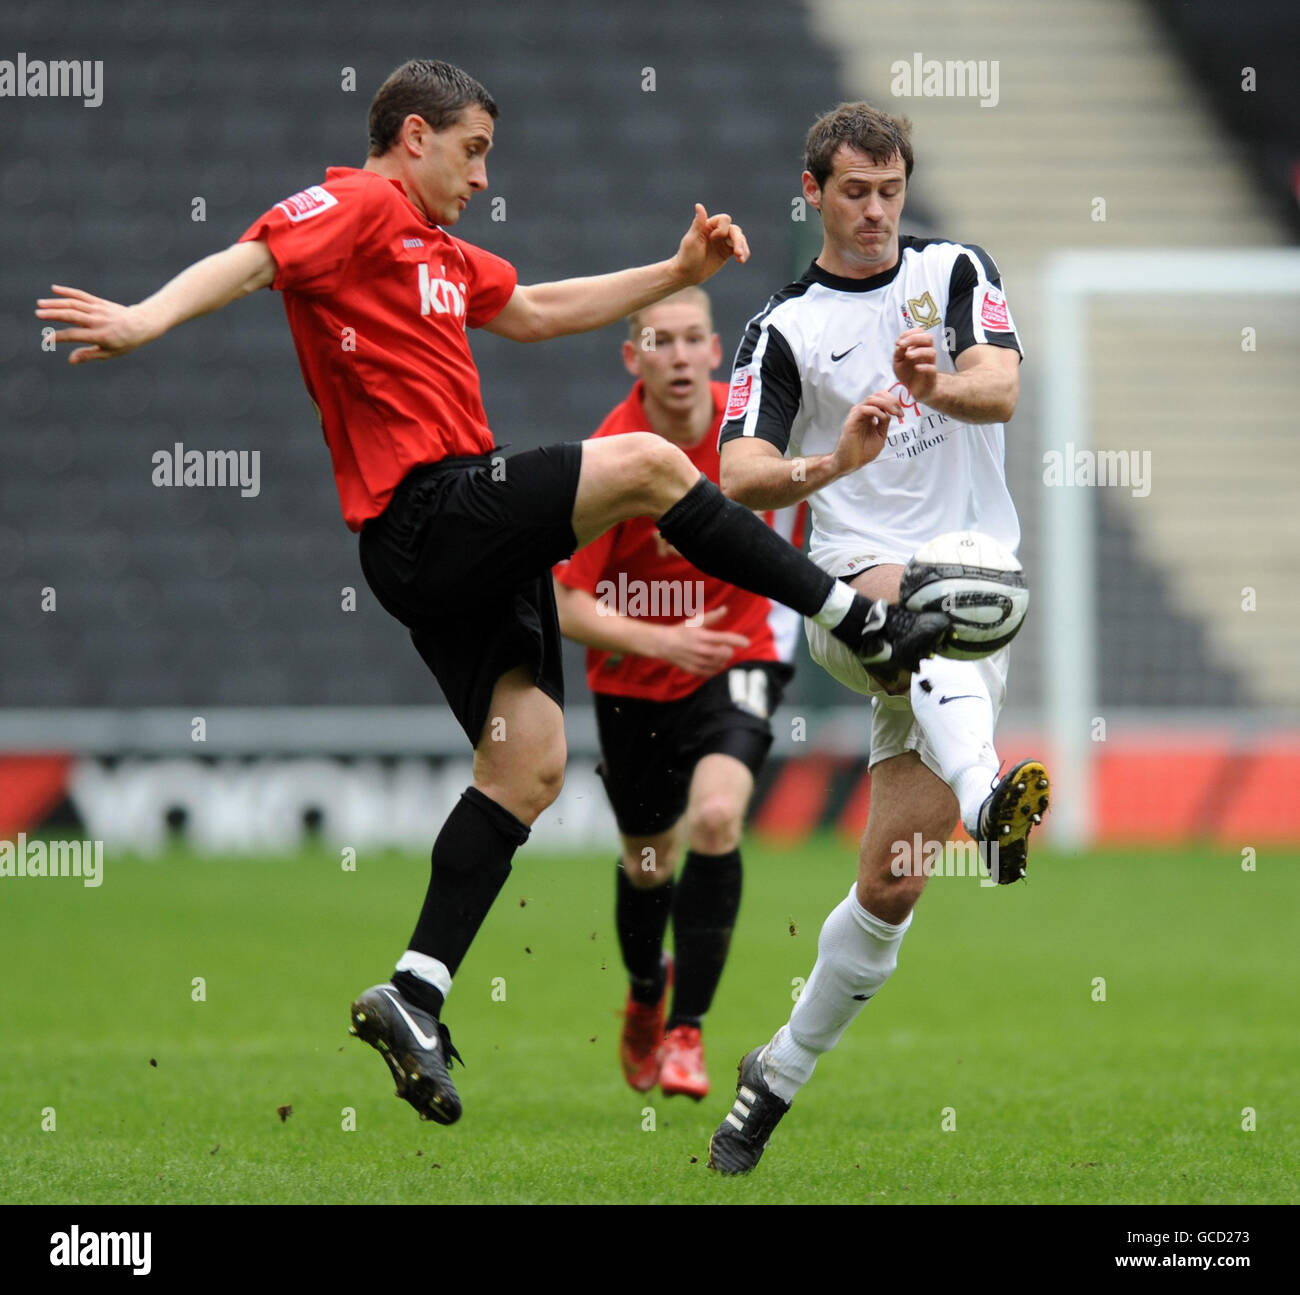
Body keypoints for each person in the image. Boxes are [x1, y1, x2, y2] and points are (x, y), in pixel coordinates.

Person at [35, 62, 949, 1129]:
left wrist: (673, 268)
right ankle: (858, 618)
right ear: (412, 134)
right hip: (426, 508)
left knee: (529, 763)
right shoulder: (362, 202)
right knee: (653, 467)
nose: (481, 175)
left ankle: (414, 990)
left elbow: (526, 308)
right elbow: (251, 261)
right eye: (471, 151)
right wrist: (145, 317)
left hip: (451, 550)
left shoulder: (432, 246)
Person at [706, 102, 1051, 1173]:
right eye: (853, 191)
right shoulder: (784, 327)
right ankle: (994, 794)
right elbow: (738, 473)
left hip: (973, 588)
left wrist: (929, 385)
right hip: (853, 591)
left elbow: (997, 384)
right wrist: (835, 464)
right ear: (811, 192)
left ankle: (777, 1072)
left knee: (895, 880)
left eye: (890, 189)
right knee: (920, 600)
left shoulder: (950, 272)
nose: (875, 211)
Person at [554, 287, 805, 1100]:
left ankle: (688, 1033)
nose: (679, 355)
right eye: (660, 340)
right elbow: (564, 603)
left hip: (739, 654)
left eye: (694, 338)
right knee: (649, 863)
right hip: (635, 679)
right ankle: (644, 989)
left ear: (713, 349)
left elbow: (811, 479)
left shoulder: (749, 426)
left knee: (717, 817)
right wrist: (663, 638)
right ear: (635, 357)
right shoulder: (613, 453)